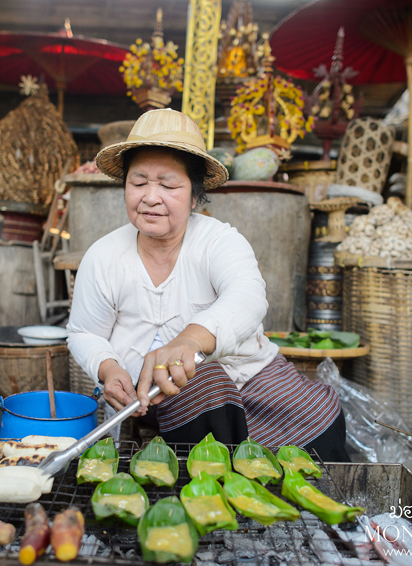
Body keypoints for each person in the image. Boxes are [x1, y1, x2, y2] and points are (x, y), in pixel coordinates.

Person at [67, 109, 348, 460]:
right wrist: (108, 368)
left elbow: (248, 295)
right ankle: (213, 485)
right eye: (138, 183)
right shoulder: (104, 255)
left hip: (250, 373)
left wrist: (188, 341)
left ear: (195, 195)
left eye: (168, 185)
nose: (150, 197)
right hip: (170, 392)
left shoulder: (219, 241)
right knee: (203, 381)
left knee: (321, 414)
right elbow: (83, 333)